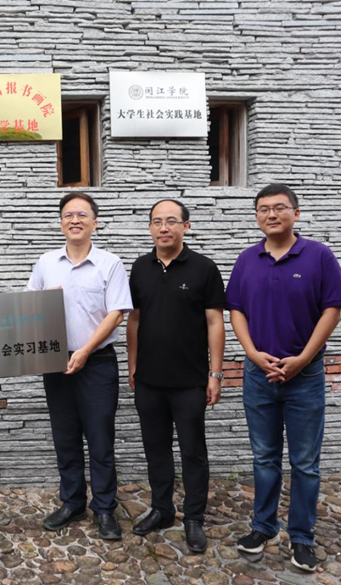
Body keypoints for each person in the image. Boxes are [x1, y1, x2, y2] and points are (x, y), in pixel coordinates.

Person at [227, 184, 341, 572]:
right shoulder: (247, 259)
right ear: (256, 217)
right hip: (258, 374)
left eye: (280, 208)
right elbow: (236, 310)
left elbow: (332, 309)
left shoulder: (318, 255)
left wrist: (303, 358)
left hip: (305, 376)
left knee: (305, 462)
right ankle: (263, 527)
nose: (271, 214)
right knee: (264, 457)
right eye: (264, 209)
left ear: (295, 213)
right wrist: (252, 353)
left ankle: (302, 537)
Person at [26, 192, 133, 540]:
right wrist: (45, 301)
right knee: (65, 436)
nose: (75, 220)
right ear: (60, 223)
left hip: (97, 361)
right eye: (68, 214)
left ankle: (104, 508)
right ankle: (72, 502)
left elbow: (116, 313)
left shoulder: (110, 264)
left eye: (82, 214)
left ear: (95, 223)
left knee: (100, 438)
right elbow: (27, 308)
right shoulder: (45, 263)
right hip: (55, 360)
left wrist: (86, 350)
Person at [126, 199, 225, 553]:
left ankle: (194, 517)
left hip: (190, 381)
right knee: (156, 449)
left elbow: (215, 322)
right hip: (149, 380)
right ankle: (162, 509)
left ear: (186, 225)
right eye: (157, 221)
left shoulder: (204, 268)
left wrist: (215, 374)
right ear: (149, 228)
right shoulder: (140, 268)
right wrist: (132, 366)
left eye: (171, 221)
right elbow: (134, 319)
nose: (163, 228)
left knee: (192, 451)